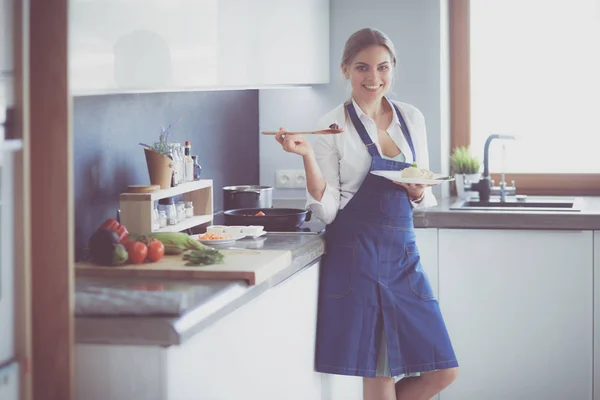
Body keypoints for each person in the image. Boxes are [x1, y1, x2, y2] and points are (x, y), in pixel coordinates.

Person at [274, 28, 459, 400]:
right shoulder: (331, 126)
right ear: (345, 69)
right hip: (358, 254)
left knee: (443, 372)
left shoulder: (412, 117)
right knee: (380, 373)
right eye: (362, 68)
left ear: (393, 69)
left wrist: (419, 190)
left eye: (382, 67)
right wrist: (308, 155)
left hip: (403, 254)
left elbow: (420, 183)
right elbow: (327, 209)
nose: (373, 78)